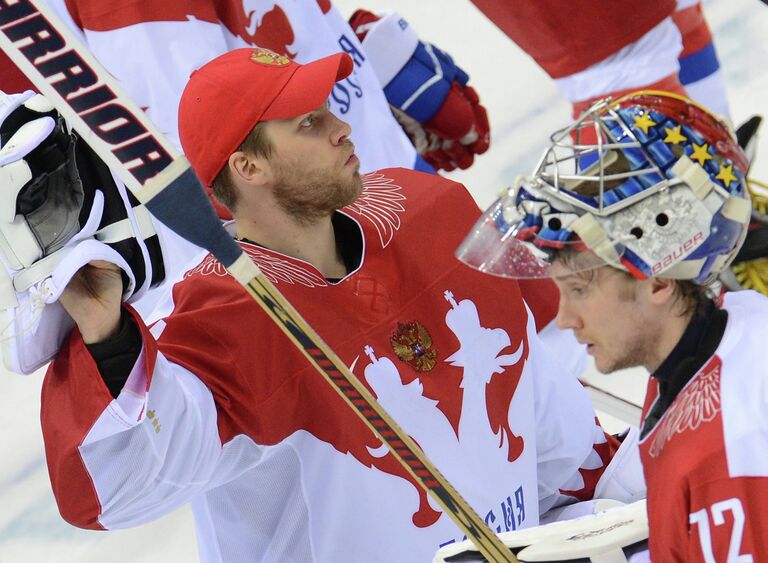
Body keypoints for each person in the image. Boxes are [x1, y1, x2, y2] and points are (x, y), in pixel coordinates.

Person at [14, 49, 645, 562]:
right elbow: (119, 490)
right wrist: (104, 329)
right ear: (248, 166)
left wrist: (625, 507)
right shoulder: (219, 322)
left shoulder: (429, 214)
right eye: (308, 124)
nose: (342, 126)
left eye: (325, 110)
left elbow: (548, 431)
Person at [458, 90, 768, 560]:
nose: (564, 318)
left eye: (580, 289)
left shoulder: (727, 456)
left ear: (659, 280)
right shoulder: (730, 330)